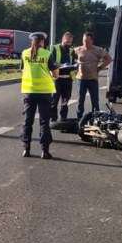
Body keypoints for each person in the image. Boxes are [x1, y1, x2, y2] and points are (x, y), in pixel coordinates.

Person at [20, 32, 59, 160]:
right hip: (44, 93)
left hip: (29, 92)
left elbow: (23, 69)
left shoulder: (25, 53)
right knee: (44, 122)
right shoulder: (47, 54)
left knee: (27, 121)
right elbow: (55, 75)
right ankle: (45, 151)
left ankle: (26, 149)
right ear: (42, 42)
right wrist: (57, 68)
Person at [75, 32, 113, 120]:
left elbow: (109, 59)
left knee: (95, 101)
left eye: (88, 41)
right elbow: (72, 61)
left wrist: (100, 67)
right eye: (84, 41)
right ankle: (79, 119)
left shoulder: (97, 50)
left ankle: (95, 118)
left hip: (92, 79)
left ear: (92, 41)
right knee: (80, 101)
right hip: (81, 79)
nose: (85, 43)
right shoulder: (77, 50)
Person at [49, 32, 76, 121]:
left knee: (65, 101)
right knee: (54, 100)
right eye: (67, 41)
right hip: (57, 78)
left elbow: (72, 63)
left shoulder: (72, 50)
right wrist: (61, 65)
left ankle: (63, 118)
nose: (68, 43)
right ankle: (53, 119)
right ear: (63, 39)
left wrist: (76, 66)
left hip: (68, 79)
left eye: (70, 42)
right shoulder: (55, 48)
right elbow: (51, 63)